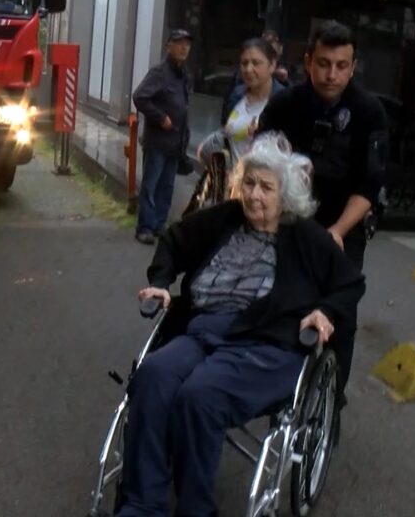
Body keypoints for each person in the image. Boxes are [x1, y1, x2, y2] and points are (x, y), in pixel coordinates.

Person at [117, 134, 365, 517]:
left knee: (199, 397)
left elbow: (349, 282)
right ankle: (143, 504)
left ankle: (196, 511)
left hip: (265, 343)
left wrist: (325, 311)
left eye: (266, 187)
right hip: (203, 330)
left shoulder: (305, 236)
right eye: (248, 183)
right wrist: (162, 282)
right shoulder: (225, 218)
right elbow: (174, 240)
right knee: (152, 376)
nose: (253, 195)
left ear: (285, 195)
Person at [256, 19, 389, 404]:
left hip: (343, 226)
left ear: (353, 66)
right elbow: (259, 166)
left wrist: (337, 231)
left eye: (342, 66)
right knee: (277, 302)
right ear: (308, 62)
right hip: (287, 223)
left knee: (339, 313)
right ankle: (276, 384)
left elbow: (370, 186)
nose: (332, 75)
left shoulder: (369, 112)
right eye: (324, 64)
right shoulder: (284, 104)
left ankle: (331, 399)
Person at [132, 29, 193, 246]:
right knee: (151, 185)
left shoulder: (183, 74)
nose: (184, 47)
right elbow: (139, 96)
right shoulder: (159, 72)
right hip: (158, 142)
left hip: (175, 143)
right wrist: (160, 118)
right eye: (179, 43)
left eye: (187, 44)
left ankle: (159, 224)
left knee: (167, 186)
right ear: (169, 46)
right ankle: (145, 228)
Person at [221, 37, 288, 159]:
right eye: (244, 63)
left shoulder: (284, 101)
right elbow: (224, 135)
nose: (248, 69)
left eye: (256, 63)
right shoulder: (236, 95)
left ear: (272, 65)